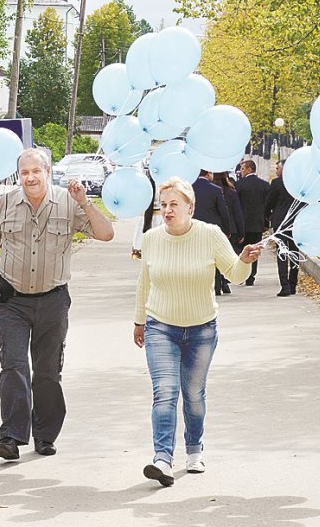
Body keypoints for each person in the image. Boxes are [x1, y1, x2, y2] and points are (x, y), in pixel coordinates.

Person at [0, 148, 114, 460]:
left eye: (35, 171)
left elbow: (106, 234)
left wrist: (84, 202)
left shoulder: (68, 202)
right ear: (18, 176)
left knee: (47, 372)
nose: (30, 177)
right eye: (24, 172)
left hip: (53, 301)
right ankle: (11, 437)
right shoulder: (4, 204)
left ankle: (45, 435)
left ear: (48, 172)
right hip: (12, 301)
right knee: (13, 366)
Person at [133, 177, 262, 487]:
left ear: (190, 207)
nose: (167, 210)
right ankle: (162, 458)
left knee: (193, 395)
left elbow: (234, 273)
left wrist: (244, 260)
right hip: (160, 326)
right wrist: (139, 321)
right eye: (163, 205)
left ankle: (194, 450)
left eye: (173, 204)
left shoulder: (210, 235)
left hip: (202, 328)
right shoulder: (151, 239)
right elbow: (144, 282)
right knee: (165, 393)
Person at [265, 160, 303, 297]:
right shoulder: (300, 183)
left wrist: (266, 217)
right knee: (294, 253)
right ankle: (293, 284)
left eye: (277, 168)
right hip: (296, 222)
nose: (276, 171)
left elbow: (269, 202)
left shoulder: (276, 183)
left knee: (282, 253)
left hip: (280, 223)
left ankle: (285, 286)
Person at [192, 171, 233, 296]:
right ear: (209, 173)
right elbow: (223, 211)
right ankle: (216, 287)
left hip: (194, 228)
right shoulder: (215, 190)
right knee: (213, 258)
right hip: (212, 229)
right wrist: (227, 230)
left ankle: (199, 286)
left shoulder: (190, 188)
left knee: (197, 258)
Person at [235, 159, 270, 286]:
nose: (241, 172)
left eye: (243, 169)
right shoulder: (265, 185)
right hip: (257, 224)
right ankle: (251, 276)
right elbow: (268, 205)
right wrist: (266, 222)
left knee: (242, 249)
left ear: (249, 169)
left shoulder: (239, 185)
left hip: (243, 224)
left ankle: (242, 274)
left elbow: (236, 206)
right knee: (255, 250)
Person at [212, 171, 245, 294]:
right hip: (231, 229)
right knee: (226, 257)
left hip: (216, 228)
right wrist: (241, 232)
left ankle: (216, 284)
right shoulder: (231, 192)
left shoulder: (212, 191)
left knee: (214, 257)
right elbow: (238, 213)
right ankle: (225, 282)